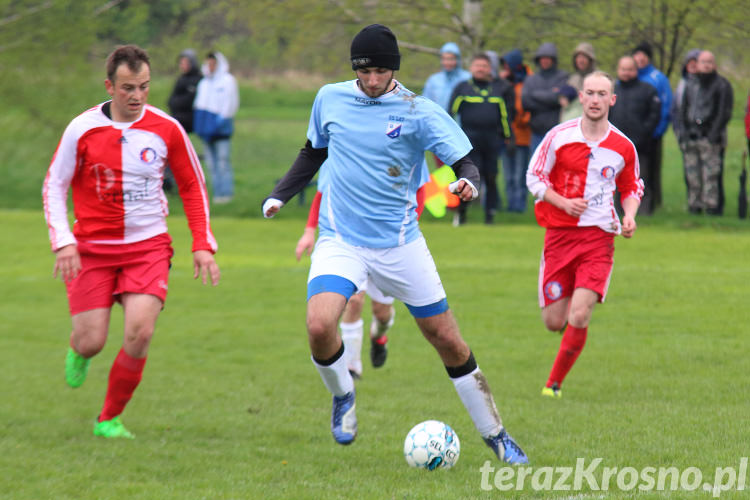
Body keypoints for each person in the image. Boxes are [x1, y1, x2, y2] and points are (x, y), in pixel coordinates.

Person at [262, 24, 528, 464]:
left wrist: (468, 183)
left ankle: (496, 434)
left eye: (381, 72)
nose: (371, 81)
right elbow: (313, 151)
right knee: (317, 325)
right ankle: (344, 396)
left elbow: (464, 160)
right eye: (364, 72)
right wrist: (280, 194)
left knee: (447, 339)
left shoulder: (417, 110)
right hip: (341, 239)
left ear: (394, 70)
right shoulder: (330, 98)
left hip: (400, 245)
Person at [42, 45, 220, 439]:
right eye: (127, 88)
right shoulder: (82, 129)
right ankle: (79, 349)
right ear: (110, 86)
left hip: (148, 247)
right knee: (92, 341)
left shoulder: (167, 128)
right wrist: (64, 241)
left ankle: (108, 419)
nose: (136, 96)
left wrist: (202, 243)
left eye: (143, 87)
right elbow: (54, 186)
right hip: (91, 249)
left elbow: (193, 186)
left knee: (140, 332)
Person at [526, 71, 644, 398]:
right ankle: (573, 328)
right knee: (554, 320)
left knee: (579, 313)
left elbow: (632, 186)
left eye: (601, 94)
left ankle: (553, 385)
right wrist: (562, 202)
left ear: (611, 100)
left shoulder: (622, 146)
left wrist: (629, 215)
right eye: (589, 93)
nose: (595, 100)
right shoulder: (559, 136)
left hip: (599, 238)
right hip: (559, 237)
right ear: (581, 97)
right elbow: (534, 178)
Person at [296, 191, 398, 378]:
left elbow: (419, 190)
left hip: (386, 245)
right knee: (353, 301)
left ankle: (378, 336)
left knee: (382, 313)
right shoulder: (341, 161)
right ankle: (352, 367)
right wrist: (309, 230)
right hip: (350, 245)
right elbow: (323, 190)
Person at [449, 52, 515, 225]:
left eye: (484, 66)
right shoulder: (462, 87)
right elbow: (450, 114)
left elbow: (505, 116)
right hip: (468, 140)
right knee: (468, 177)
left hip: (492, 139)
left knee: (491, 176)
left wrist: (509, 138)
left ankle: (489, 216)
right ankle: (461, 214)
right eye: (477, 65)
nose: (480, 69)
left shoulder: (498, 88)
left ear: (490, 69)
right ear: (471, 68)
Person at [680, 50, 733, 215]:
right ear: (697, 64)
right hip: (691, 134)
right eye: (703, 62)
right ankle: (694, 206)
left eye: (709, 62)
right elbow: (683, 109)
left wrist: (713, 134)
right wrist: (685, 131)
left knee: (711, 175)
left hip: (710, 135)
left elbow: (724, 111)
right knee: (693, 175)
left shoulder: (722, 85)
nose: (706, 65)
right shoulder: (691, 84)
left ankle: (711, 207)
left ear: (714, 64)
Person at [610, 55, 661, 215]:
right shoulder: (612, 91)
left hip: (641, 146)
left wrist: (642, 136)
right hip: (615, 147)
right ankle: (617, 213)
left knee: (640, 181)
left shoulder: (647, 90)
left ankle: (643, 213)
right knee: (615, 182)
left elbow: (653, 116)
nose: (626, 73)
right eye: (623, 69)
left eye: (630, 69)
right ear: (618, 70)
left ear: (636, 70)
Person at [194, 51, 239, 204]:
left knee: (222, 162)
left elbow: (230, 103)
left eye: (214, 64)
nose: (211, 67)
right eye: (209, 64)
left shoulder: (227, 81)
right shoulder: (204, 83)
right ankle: (217, 194)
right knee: (211, 164)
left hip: (221, 130)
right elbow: (199, 105)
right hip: (206, 130)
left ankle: (226, 194)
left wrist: (221, 120)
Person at [632, 41, 672, 209]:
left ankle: (654, 204)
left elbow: (666, 105)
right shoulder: (630, 76)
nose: (640, 58)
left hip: (652, 133)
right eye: (637, 54)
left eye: (643, 55)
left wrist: (658, 130)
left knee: (652, 170)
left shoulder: (658, 78)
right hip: (632, 133)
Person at [423, 42, 471, 168]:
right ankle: (445, 189)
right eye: (444, 59)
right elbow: (425, 106)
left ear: (458, 59)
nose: (447, 62)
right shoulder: (434, 81)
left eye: (451, 59)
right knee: (443, 171)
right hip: (440, 133)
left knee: (463, 169)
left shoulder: (467, 78)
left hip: (463, 132)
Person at [164, 49, 203, 192]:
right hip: (177, 119)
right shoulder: (181, 80)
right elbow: (171, 101)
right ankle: (168, 177)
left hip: (189, 121)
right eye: (181, 63)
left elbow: (189, 101)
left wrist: (178, 103)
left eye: (185, 62)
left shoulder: (198, 79)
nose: (182, 65)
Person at [500, 49, 533, 213]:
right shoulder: (505, 82)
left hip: (522, 135)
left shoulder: (528, 81)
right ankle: (510, 206)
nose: (505, 68)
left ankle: (519, 206)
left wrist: (521, 120)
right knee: (508, 175)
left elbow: (527, 107)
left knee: (520, 174)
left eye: (507, 64)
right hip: (506, 135)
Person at [522, 42, 569, 154]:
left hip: (558, 133)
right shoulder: (531, 79)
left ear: (553, 59)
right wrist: (551, 97)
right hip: (537, 133)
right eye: (542, 58)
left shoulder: (563, 76)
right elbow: (525, 102)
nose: (545, 61)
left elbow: (561, 99)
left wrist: (535, 95)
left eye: (548, 58)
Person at [561, 42, 597, 122]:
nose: (580, 60)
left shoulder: (599, 78)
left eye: (584, 57)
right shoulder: (572, 79)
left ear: (590, 60)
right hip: (573, 123)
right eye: (578, 57)